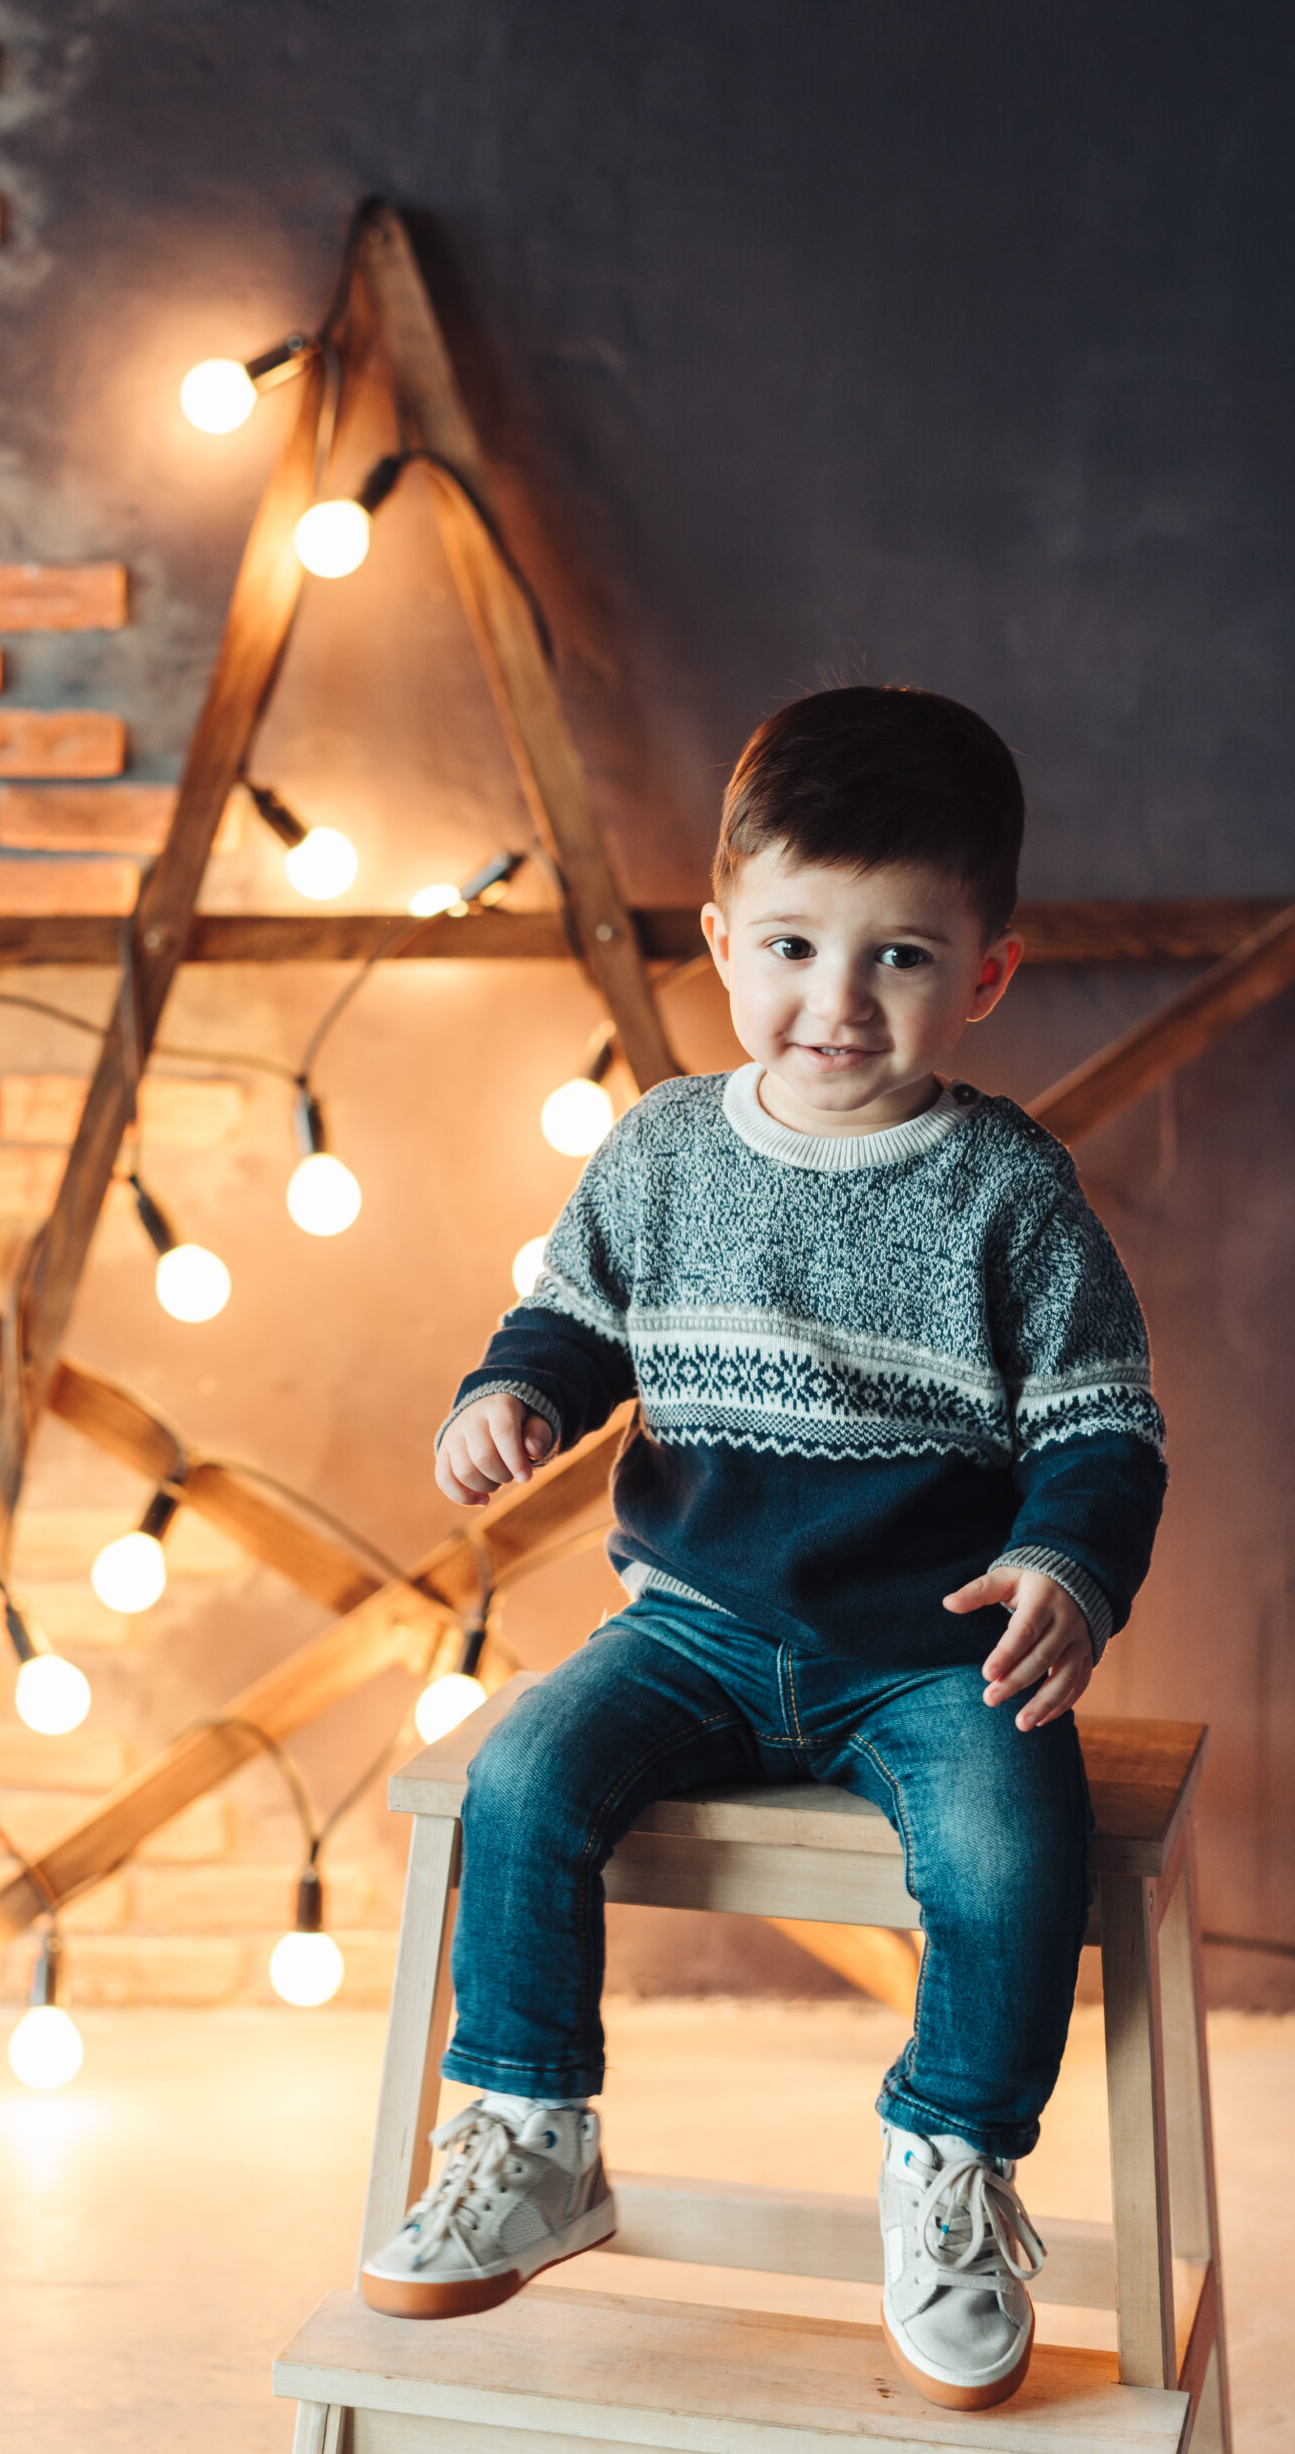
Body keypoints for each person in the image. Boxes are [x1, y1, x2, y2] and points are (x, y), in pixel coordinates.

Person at [360, 685, 1166, 2412]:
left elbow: (1104, 1428)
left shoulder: (1010, 1193)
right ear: (723, 941)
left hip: (931, 1650)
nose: (836, 1002)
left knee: (1014, 1855)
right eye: (794, 945)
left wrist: (1065, 1567)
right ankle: (531, 2127)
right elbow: (568, 1325)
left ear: (987, 974)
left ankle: (951, 2165)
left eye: (900, 958)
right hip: (696, 1626)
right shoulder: (657, 1152)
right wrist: (510, 1399)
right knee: (523, 1782)